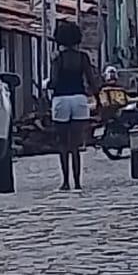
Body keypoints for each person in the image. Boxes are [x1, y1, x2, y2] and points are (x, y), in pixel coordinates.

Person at [48, 20, 98, 191]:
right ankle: (77, 182)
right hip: (79, 99)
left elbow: (53, 81)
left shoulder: (57, 58)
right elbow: (91, 81)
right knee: (76, 144)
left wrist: (47, 86)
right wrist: (97, 99)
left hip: (61, 99)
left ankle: (65, 182)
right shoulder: (82, 57)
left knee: (63, 144)